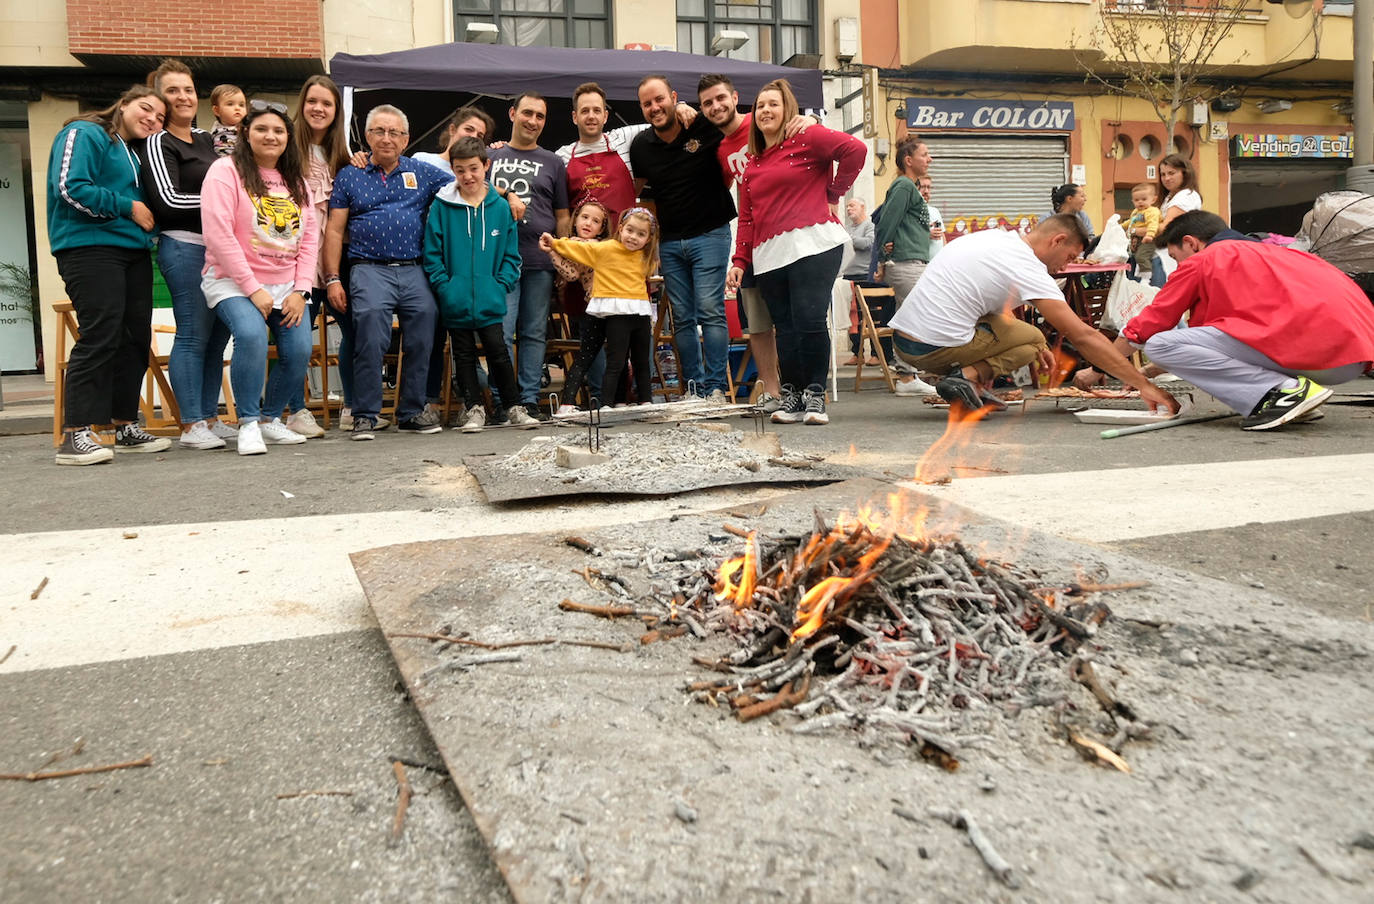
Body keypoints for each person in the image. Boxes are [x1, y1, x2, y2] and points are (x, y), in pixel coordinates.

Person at [887, 214, 1177, 414]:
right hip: (932, 350)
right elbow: (1083, 335)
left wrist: (1036, 344)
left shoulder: (991, 239)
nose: (1065, 267)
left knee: (1032, 340)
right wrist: (1143, 385)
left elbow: (990, 313)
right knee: (1033, 340)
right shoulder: (1027, 265)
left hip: (902, 344)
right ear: (1057, 240)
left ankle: (969, 385)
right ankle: (965, 377)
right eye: (1069, 257)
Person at [1111, 211, 1374, 430]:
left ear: (1191, 243)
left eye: (1174, 257)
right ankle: (1295, 401)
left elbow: (1152, 322)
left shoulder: (1205, 259)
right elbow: (1226, 342)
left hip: (1313, 350)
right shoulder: (1281, 253)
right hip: (1350, 359)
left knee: (1159, 344)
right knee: (1171, 346)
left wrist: (1103, 366)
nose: (1178, 266)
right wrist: (1153, 370)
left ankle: (1284, 393)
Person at [726, 78, 868, 426]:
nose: (765, 110)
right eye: (760, 106)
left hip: (812, 244)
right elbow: (747, 217)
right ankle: (793, 395)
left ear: (787, 109)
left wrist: (833, 193)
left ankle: (815, 394)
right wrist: (740, 261)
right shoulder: (751, 165)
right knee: (785, 328)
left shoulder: (807, 137)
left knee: (808, 319)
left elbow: (855, 150)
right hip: (769, 253)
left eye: (773, 104)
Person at [48, 84, 171, 465]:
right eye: (146, 108)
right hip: (89, 248)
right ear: (124, 102)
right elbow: (69, 187)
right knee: (100, 334)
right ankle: (76, 434)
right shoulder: (85, 132)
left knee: (135, 339)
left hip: (134, 251)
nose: (152, 119)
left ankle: (124, 425)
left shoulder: (133, 152)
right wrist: (128, 207)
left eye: (160, 118)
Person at [323, 104, 450, 440]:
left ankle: (411, 412)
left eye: (395, 132)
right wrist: (332, 277)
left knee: (424, 332)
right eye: (379, 131)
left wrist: (507, 194)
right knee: (369, 335)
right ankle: (365, 415)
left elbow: (468, 183)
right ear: (367, 136)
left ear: (406, 139)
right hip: (368, 268)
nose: (387, 138)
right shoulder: (350, 174)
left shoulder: (421, 171)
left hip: (413, 268)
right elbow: (334, 230)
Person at [199, 100, 318, 455]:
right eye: (262, 129)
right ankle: (249, 422)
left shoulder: (297, 181)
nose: (271, 136)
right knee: (251, 336)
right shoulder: (225, 171)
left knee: (299, 350)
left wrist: (301, 290)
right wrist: (253, 289)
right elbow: (218, 235)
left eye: (279, 130)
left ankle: (270, 419)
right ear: (246, 133)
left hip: (287, 284)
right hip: (233, 280)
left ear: (288, 138)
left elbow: (309, 239)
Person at [138, 59, 236, 451]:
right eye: (173, 90)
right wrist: (225, 205)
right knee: (194, 334)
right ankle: (191, 423)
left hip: (221, 250)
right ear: (159, 98)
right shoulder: (158, 142)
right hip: (184, 247)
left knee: (218, 337)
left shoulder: (207, 140)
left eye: (189, 90)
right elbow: (168, 200)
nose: (183, 97)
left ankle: (210, 417)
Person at [421, 136, 540, 434]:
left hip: (491, 297)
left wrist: (500, 285)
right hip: (455, 298)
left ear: (486, 166)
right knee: (463, 355)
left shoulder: (500, 208)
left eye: (473, 168)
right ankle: (474, 409)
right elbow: (432, 254)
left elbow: (511, 255)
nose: (468, 176)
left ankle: (514, 407)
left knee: (499, 352)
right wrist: (445, 287)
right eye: (460, 170)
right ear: (453, 170)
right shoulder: (442, 206)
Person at [630, 74, 735, 402]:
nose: (654, 107)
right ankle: (694, 390)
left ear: (674, 97)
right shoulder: (641, 146)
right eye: (647, 103)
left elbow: (739, 129)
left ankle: (715, 388)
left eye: (659, 99)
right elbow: (636, 195)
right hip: (670, 241)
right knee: (682, 318)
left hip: (711, 232)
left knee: (710, 310)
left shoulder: (703, 125)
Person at [488, 92, 571, 418]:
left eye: (540, 116)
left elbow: (562, 215)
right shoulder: (489, 156)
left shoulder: (553, 162)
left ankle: (529, 399)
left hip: (540, 260)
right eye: (527, 113)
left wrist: (563, 258)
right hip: (498, 260)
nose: (533, 121)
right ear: (512, 114)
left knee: (534, 332)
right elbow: (471, 187)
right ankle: (503, 401)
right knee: (501, 331)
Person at [282, 74, 354, 435]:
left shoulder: (344, 156)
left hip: (337, 256)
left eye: (327, 103)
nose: (318, 108)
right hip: (297, 257)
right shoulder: (285, 149)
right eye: (312, 101)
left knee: (355, 330)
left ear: (336, 111)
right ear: (302, 104)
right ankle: (296, 410)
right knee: (296, 337)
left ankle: (353, 406)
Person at [542, 207, 660, 415]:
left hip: (639, 310)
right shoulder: (605, 249)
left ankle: (643, 401)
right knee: (614, 360)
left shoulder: (645, 257)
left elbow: (649, 270)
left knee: (641, 360)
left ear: (648, 239)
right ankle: (605, 403)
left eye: (641, 234)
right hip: (611, 310)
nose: (633, 237)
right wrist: (554, 243)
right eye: (630, 231)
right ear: (620, 228)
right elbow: (578, 249)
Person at [549, 198, 620, 412]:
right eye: (585, 217)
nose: (588, 223)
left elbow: (571, 273)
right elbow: (572, 274)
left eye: (596, 221)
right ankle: (592, 399)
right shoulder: (574, 245)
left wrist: (554, 250)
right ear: (575, 220)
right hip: (597, 306)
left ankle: (609, 399)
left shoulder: (599, 245)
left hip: (614, 304)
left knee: (609, 353)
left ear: (602, 228)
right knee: (592, 353)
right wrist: (554, 252)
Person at [875, 138, 935, 308]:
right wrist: (882, 259)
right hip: (907, 264)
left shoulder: (910, 186)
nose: (929, 159)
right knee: (919, 315)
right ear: (909, 161)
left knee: (911, 316)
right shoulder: (904, 186)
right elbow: (887, 222)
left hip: (912, 263)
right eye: (924, 155)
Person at [1152, 153, 1203, 287]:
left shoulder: (1186, 195)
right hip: (1161, 254)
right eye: (1163, 174)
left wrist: (1135, 230)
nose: (1166, 178)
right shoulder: (1169, 197)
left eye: (1171, 173)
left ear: (1185, 173)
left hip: (1169, 260)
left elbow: (1166, 227)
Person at [412, 106, 497, 172]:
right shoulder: (422, 160)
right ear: (452, 129)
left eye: (479, 136)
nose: (474, 136)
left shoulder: (476, 175)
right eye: (469, 129)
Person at [1123, 182, 1161, 282]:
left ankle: (1146, 275)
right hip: (1137, 239)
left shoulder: (1152, 211)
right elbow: (1130, 222)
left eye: (1144, 199)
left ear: (1153, 199)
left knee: (1141, 256)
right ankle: (1136, 275)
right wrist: (1120, 227)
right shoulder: (1136, 212)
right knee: (1131, 256)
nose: (1140, 202)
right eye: (1136, 200)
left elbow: (1153, 224)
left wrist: (1150, 235)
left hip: (1148, 239)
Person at [209, 84, 245, 157]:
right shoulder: (217, 133)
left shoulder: (250, 129)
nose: (237, 108)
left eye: (241, 105)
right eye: (230, 104)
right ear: (217, 111)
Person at [917, 176, 945, 257]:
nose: (926, 191)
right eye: (923, 187)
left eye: (928, 187)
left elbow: (942, 237)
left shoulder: (935, 211)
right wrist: (927, 235)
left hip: (938, 261)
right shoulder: (910, 212)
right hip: (921, 262)